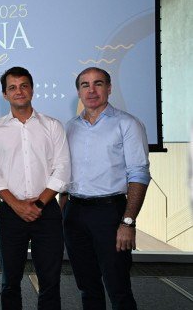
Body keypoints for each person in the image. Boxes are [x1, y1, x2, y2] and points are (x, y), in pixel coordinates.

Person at [61, 67, 151, 310]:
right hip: (74, 214)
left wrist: (128, 223)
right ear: (78, 92)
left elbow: (139, 175)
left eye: (98, 84)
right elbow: (64, 176)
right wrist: (62, 215)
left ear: (109, 89)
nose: (91, 90)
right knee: (87, 288)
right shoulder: (70, 127)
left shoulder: (128, 124)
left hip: (110, 215)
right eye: (85, 85)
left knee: (118, 288)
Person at [0, 66, 70, 310]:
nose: (18, 91)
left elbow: (62, 169)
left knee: (50, 281)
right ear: (5, 95)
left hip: (47, 212)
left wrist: (39, 203)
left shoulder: (52, 126)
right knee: (9, 282)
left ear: (32, 89)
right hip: (11, 214)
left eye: (23, 86)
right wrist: (18, 206)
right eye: (12, 87)